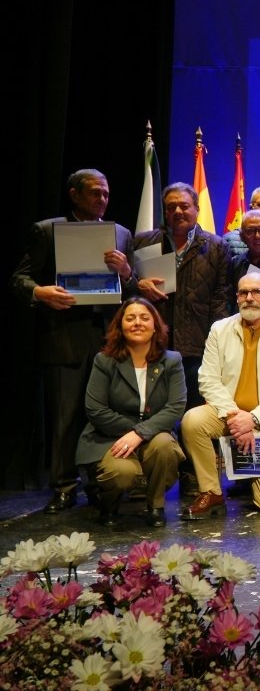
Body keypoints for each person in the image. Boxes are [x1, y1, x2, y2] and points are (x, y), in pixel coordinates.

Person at [12, 168, 139, 514]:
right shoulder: (47, 230)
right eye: (95, 193)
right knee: (65, 417)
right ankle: (64, 486)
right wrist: (40, 292)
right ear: (74, 194)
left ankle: (100, 483)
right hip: (64, 339)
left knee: (105, 416)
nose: (102, 200)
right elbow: (19, 278)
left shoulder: (122, 234)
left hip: (109, 342)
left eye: (106, 194)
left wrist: (127, 272)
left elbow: (134, 288)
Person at [180, 271, 260, 519]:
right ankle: (211, 491)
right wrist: (236, 416)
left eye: (257, 292)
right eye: (243, 292)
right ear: (236, 298)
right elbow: (208, 378)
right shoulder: (220, 329)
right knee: (193, 421)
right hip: (229, 416)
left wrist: (254, 419)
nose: (249, 298)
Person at [78, 298, 185, 527]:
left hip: (154, 436)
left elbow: (176, 407)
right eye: (130, 318)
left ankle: (156, 506)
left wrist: (140, 433)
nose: (138, 323)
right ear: (120, 326)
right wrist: (133, 431)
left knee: (165, 446)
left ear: (155, 326)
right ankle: (109, 504)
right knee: (121, 472)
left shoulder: (172, 361)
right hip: (111, 437)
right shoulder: (104, 361)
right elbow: (94, 409)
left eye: (144, 318)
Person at [134, 182, 230, 409]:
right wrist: (138, 284)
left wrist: (214, 342)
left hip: (197, 347)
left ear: (197, 208)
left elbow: (221, 298)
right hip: (153, 344)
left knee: (191, 413)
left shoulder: (217, 246)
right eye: (171, 207)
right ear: (165, 211)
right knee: (152, 409)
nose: (178, 211)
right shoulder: (143, 241)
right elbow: (128, 291)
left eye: (184, 206)